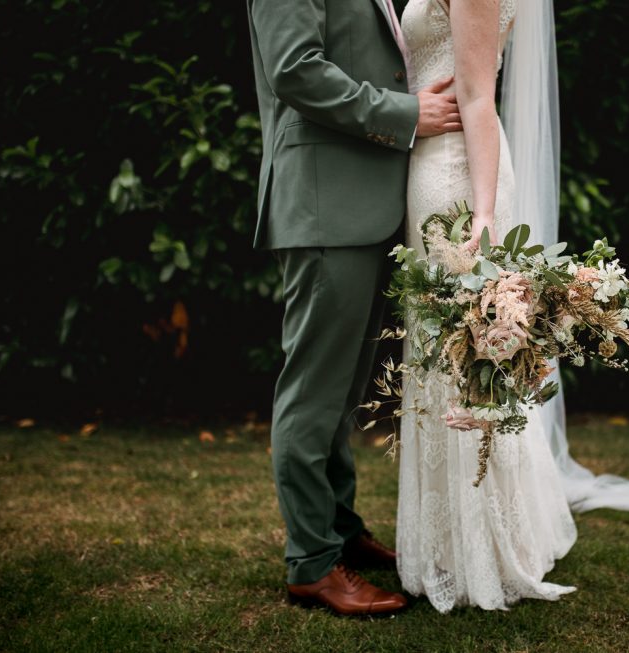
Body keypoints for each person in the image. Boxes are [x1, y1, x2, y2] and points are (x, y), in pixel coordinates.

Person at [245, 0, 463, 616]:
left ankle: (338, 531)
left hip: (359, 202)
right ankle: (312, 563)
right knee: (314, 392)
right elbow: (295, 69)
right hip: (324, 202)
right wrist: (407, 113)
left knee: (343, 394)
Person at [395, 0, 579, 613]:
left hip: (456, 173)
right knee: (447, 357)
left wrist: (483, 212)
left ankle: (486, 548)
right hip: (436, 164)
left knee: (462, 362)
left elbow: (477, 93)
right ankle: (451, 538)